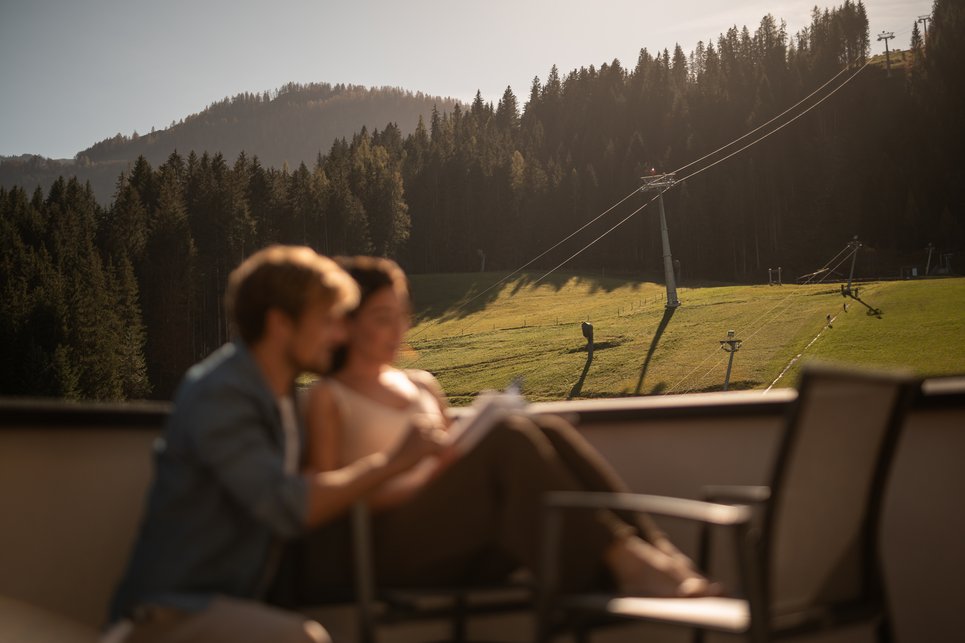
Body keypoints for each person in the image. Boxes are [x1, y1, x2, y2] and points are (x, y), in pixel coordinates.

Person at [300, 256, 717, 598]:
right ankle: (631, 566)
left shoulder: (422, 384)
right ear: (348, 322)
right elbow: (328, 505)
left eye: (403, 315)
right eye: (381, 317)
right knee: (508, 439)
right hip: (393, 554)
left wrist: (447, 461)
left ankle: (659, 555)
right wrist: (402, 464)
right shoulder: (329, 397)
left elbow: (453, 457)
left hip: (464, 536)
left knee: (548, 429)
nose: (398, 329)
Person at [104, 246, 452, 643]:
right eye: (327, 321)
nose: (340, 334)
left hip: (235, 602)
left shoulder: (281, 396)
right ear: (280, 324)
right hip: (168, 612)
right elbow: (285, 504)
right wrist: (392, 461)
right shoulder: (221, 395)